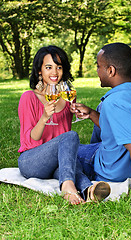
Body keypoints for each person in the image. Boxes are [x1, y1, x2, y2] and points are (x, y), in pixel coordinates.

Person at [18, 45, 111, 205]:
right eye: (48, 67)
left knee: (69, 162)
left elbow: (66, 150)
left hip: (57, 161)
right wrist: (44, 117)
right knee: (70, 137)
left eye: (58, 67)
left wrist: (80, 113)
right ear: (39, 71)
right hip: (31, 161)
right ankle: (68, 187)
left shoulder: (67, 99)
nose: (54, 72)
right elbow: (30, 141)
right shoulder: (28, 98)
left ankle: (88, 190)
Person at [70, 42, 131, 204]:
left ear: (110, 71)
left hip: (113, 171)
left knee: (65, 151)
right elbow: (123, 128)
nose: (97, 71)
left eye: (98, 66)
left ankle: (83, 186)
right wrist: (91, 114)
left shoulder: (114, 102)